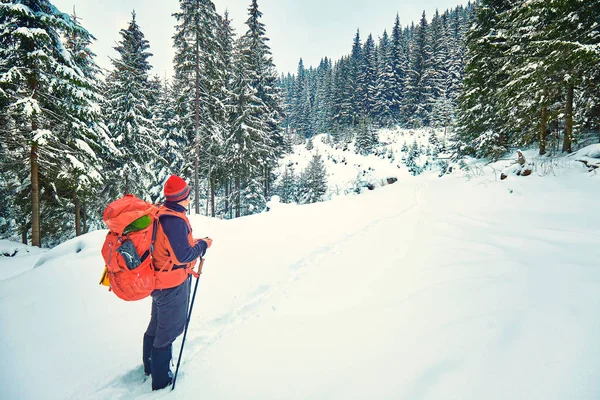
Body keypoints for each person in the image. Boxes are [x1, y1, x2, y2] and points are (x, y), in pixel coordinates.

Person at [143, 174, 213, 391]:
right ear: (182, 198)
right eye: (188, 195)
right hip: (171, 284)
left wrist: (196, 243)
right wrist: (204, 245)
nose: (189, 198)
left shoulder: (164, 213)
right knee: (168, 329)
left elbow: (172, 248)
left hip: (159, 281)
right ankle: (161, 381)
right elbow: (183, 256)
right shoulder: (174, 220)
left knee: (157, 325)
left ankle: (150, 367)